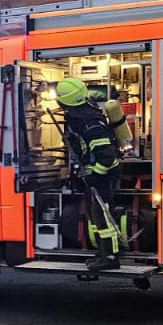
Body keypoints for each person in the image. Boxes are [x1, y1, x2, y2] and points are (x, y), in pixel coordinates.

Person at [57, 77, 123, 271]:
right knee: (96, 214)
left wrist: (95, 175)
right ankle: (103, 251)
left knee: (103, 215)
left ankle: (110, 256)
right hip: (95, 175)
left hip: (102, 177)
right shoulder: (87, 117)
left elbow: (107, 157)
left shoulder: (88, 124)